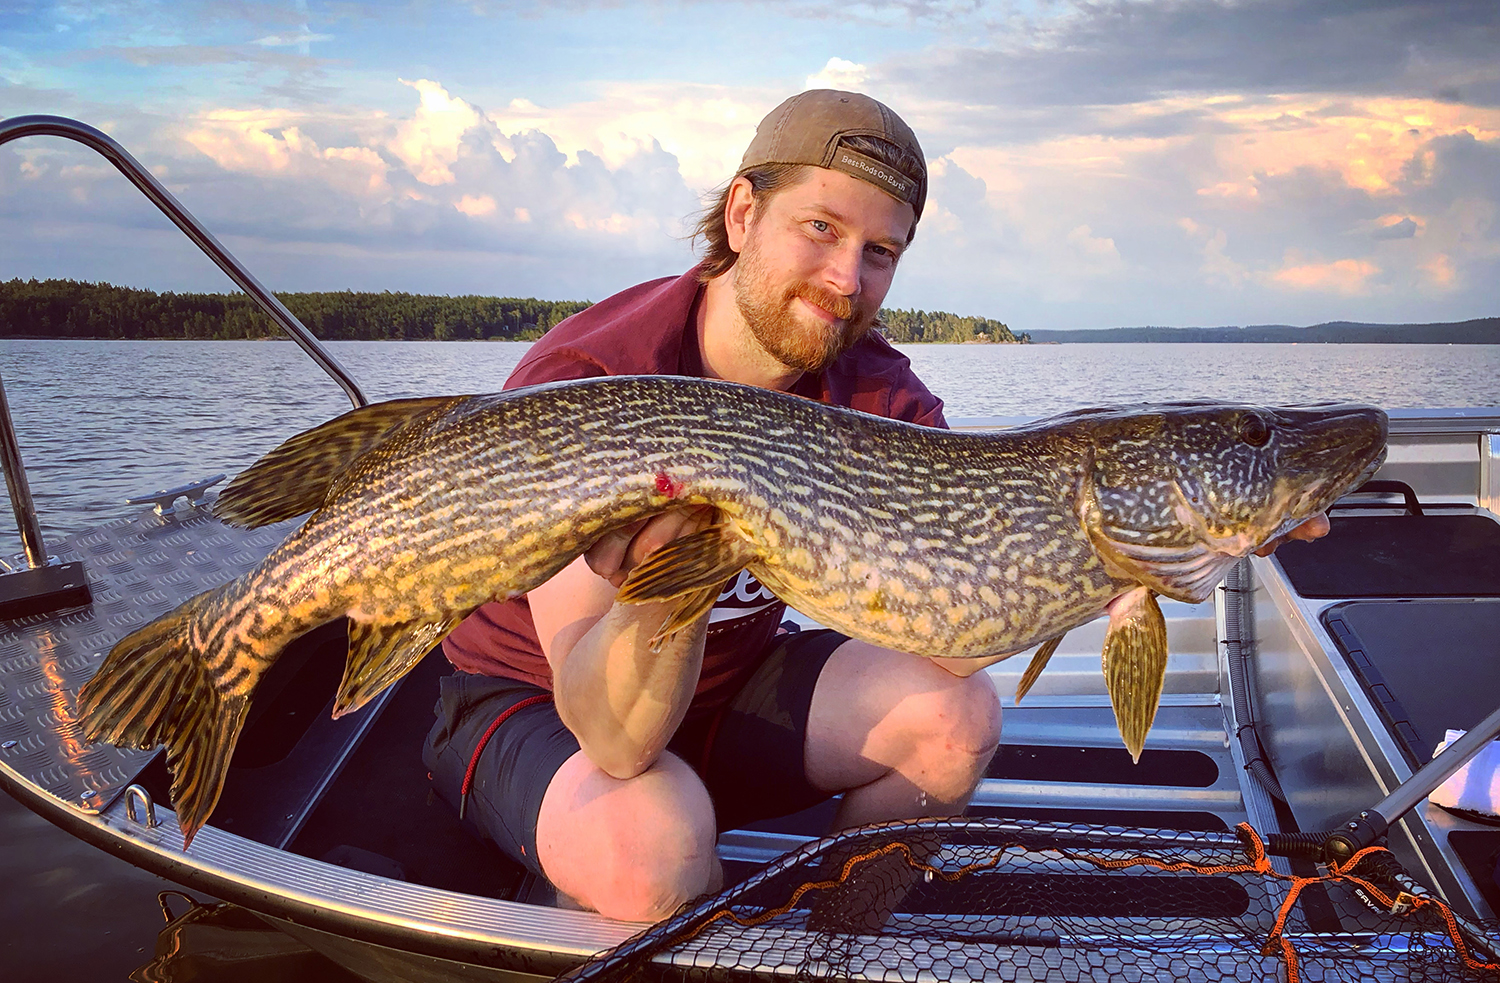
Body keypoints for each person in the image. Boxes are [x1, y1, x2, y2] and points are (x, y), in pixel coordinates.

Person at [422, 89, 1328, 922]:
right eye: (820, 227)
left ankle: (836, 934)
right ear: (742, 213)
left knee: (958, 719)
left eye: (878, 251)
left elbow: (951, 633)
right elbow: (616, 738)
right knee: (654, 846)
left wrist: (1122, 557)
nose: (846, 280)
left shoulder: (876, 392)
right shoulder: (597, 378)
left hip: (729, 688)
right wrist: (669, 575)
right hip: (545, 710)